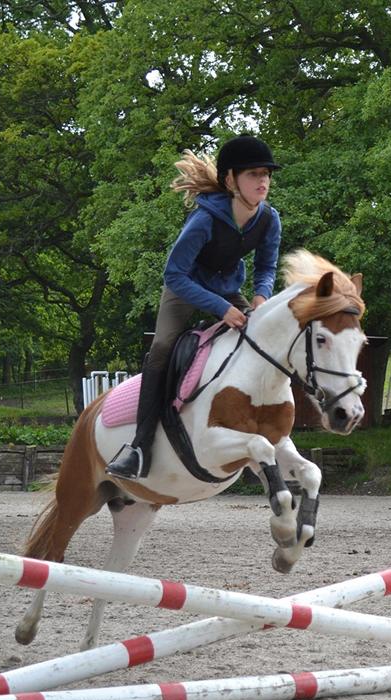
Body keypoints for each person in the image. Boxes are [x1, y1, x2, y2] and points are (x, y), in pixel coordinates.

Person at [105, 134, 282, 480]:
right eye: (253, 174)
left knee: (262, 340)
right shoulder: (204, 219)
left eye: (266, 174)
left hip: (227, 289)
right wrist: (221, 308)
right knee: (161, 349)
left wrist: (261, 297)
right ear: (231, 180)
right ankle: (139, 448)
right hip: (184, 288)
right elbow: (174, 274)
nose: (262, 181)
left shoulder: (269, 219)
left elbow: (266, 267)